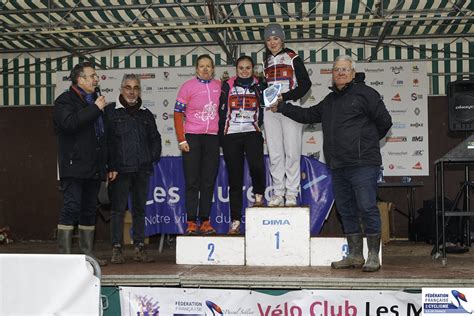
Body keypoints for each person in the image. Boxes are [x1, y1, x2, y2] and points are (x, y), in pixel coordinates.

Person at [272, 55, 392, 272]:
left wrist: (366, 143)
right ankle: (355, 255)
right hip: (337, 165)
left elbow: (385, 122)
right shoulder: (330, 101)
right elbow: (307, 114)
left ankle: (373, 255)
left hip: (363, 163)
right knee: (346, 210)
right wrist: (282, 107)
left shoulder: (367, 94)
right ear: (332, 73)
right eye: (337, 69)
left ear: (353, 73)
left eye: (345, 69)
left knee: (366, 207)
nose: (341, 73)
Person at [53, 61, 108, 265]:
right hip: (74, 165)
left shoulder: (95, 100)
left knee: (89, 209)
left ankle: (88, 253)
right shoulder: (64, 101)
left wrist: (106, 164)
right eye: (92, 75)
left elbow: (102, 136)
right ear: (80, 79)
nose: (96, 79)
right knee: (72, 206)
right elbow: (69, 124)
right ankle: (64, 257)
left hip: (94, 166)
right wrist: (95, 108)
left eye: (96, 75)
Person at [107, 74, 162, 264]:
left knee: (139, 210)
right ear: (121, 89)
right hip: (119, 171)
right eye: (128, 87)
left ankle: (140, 248)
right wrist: (111, 165)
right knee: (117, 211)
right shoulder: (110, 112)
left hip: (142, 170)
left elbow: (155, 138)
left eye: (136, 88)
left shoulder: (146, 114)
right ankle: (116, 249)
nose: (132, 91)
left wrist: (151, 157)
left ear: (140, 90)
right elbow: (105, 142)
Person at [263, 23, 312, 207]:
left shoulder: (293, 57)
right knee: (275, 152)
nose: (272, 42)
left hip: (290, 107)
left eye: (275, 38)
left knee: (292, 151)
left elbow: (305, 85)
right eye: (268, 39)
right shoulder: (265, 60)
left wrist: (285, 97)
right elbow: (266, 87)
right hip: (270, 110)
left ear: (282, 39)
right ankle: (278, 193)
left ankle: (291, 194)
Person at [174, 54, 221, 235]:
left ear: (213, 69)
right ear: (196, 69)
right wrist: (181, 139)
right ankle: (192, 221)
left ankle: (206, 220)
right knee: (192, 182)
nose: (205, 69)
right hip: (192, 137)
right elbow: (178, 114)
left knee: (208, 182)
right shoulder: (187, 87)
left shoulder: (219, 86)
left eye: (208, 66)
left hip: (212, 138)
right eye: (201, 66)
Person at [219, 55, 266, 235]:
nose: (244, 71)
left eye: (248, 68)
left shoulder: (260, 86)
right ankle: (235, 220)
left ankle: (259, 195)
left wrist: (258, 124)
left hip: (252, 132)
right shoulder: (227, 86)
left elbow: (264, 108)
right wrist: (221, 136)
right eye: (241, 68)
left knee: (257, 165)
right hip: (231, 135)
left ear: (252, 69)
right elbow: (221, 110)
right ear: (236, 70)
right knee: (235, 179)